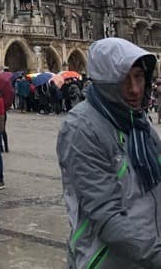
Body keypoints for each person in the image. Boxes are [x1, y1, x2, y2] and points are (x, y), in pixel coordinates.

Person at [57, 38, 161, 268]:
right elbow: (106, 216)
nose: (134, 89)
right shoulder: (81, 129)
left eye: (139, 77)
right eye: (123, 79)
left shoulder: (139, 125)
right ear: (105, 82)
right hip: (106, 260)